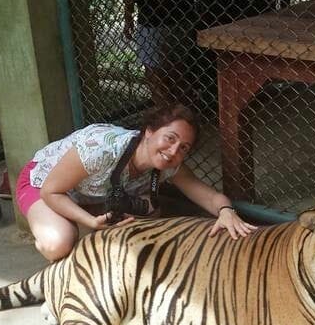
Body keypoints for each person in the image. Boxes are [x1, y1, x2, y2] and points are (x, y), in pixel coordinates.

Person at [15, 104, 256, 261]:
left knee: (149, 219)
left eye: (183, 147)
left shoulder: (169, 166)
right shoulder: (102, 148)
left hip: (92, 194)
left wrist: (226, 212)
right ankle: (59, 282)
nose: (173, 151)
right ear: (149, 131)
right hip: (45, 184)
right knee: (58, 243)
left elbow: (210, 197)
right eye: (169, 138)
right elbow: (51, 191)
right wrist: (89, 221)